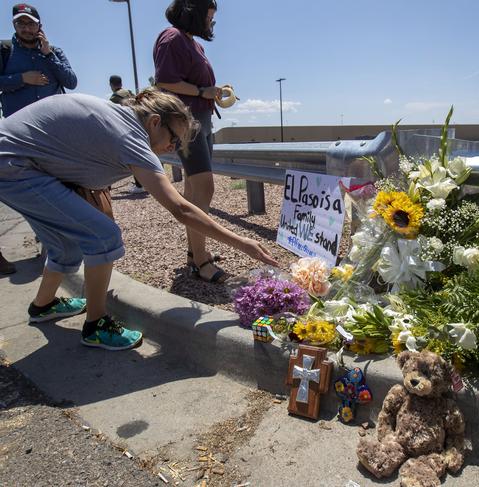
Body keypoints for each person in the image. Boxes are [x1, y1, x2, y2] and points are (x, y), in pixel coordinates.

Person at [0, 88, 278, 351]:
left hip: (16, 160)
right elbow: (180, 209)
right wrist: (242, 243)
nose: (173, 148)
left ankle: (42, 306)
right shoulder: (130, 137)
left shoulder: (121, 119)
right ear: (155, 121)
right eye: (173, 139)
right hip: (14, 166)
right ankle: (96, 326)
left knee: (65, 243)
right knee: (102, 236)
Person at [153, 0, 226, 283]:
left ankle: (194, 252)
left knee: (195, 191)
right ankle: (201, 259)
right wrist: (202, 91)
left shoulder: (191, 42)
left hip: (200, 120)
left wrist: (211, 93)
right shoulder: (172, 38)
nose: (210, 24)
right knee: (204, 189)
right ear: (193, 15)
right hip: (187, 122)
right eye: (209, 18)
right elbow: (165, 81)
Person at [0, 3, 77, 117]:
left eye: (31, 24)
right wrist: (22, 78)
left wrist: (49, 55)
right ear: (14, 25)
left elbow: (71, 83)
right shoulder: (4, 50)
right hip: (17, 129)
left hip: (53, 125)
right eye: (21, 23)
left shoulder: (54, 52)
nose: (26, 29)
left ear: (40, 26)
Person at [108, 74, 143, 194]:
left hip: (126, 129)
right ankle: (143, 184)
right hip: (139, 126)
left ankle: (140, 186)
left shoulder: (114, 98)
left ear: (111, 85)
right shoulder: (130, 92)